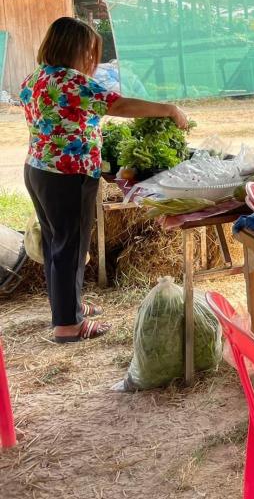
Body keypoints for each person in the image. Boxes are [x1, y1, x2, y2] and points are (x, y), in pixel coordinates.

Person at [20, 17, 189, 343]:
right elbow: (120, 105)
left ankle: (68, 306)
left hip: (38, 170)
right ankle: (68, 325)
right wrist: (169, 109)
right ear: (77, 50)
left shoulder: (36, 78)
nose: (92, 61)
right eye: (90, 52)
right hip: (69, 175)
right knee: (72, 246)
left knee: (57, 243)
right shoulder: (72, 82)